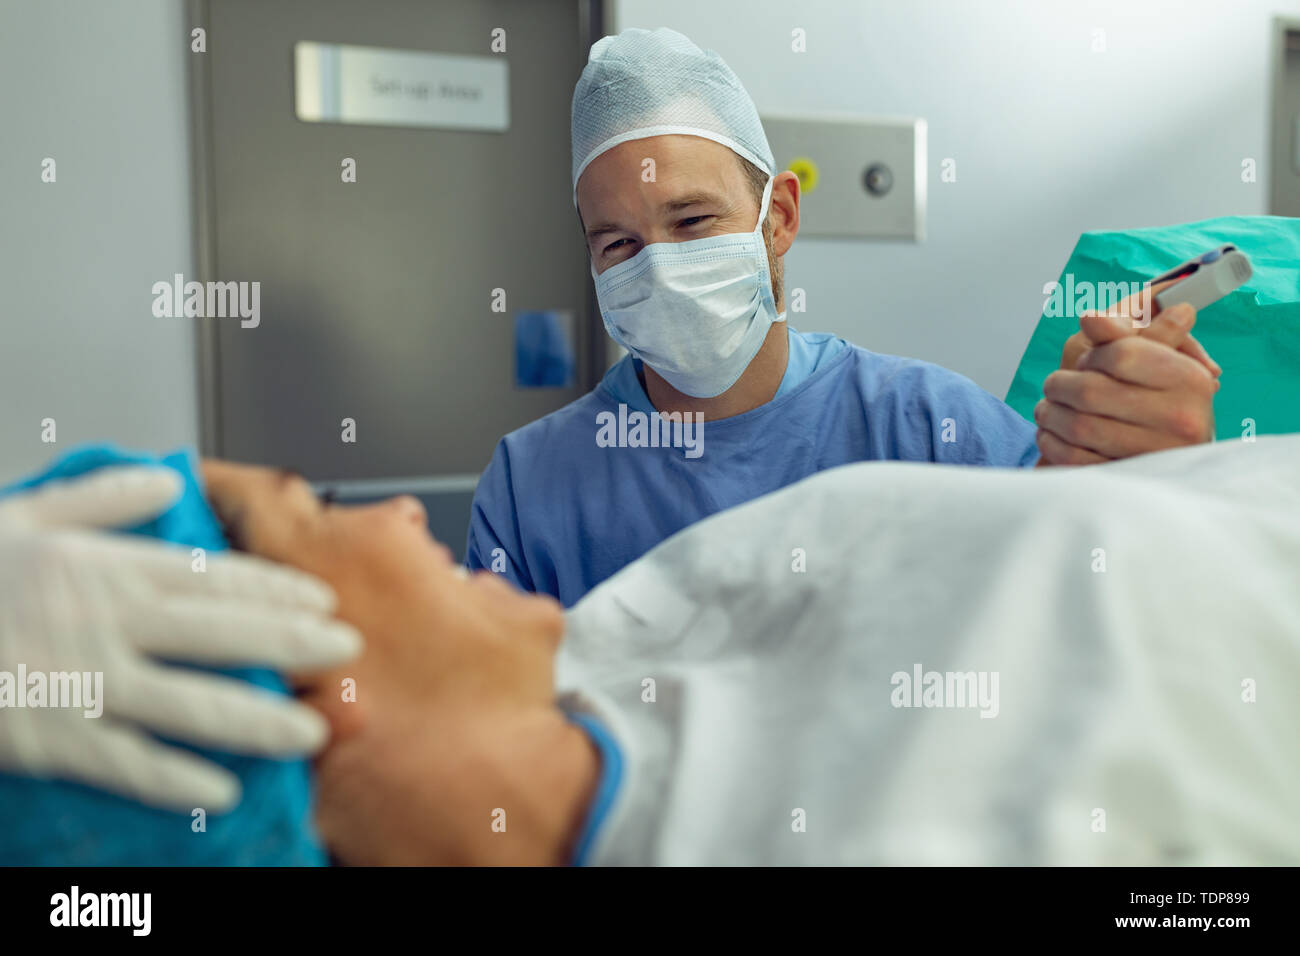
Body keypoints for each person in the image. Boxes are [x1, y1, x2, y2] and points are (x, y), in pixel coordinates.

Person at [203, 435, 1300, 866]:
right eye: (313, 506)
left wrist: (1144, 460)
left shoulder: (593, 655)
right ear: (291, 688)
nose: (403, 506)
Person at [465, 27, 1221, 608]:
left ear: (780, 216)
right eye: (619, 243)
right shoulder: (532, 485)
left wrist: (1152, 470)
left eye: (693, 222)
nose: (658, 266)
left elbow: (1100, 591)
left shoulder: (927, 429)